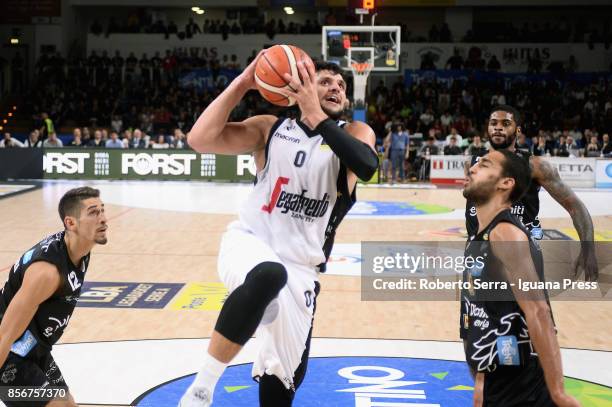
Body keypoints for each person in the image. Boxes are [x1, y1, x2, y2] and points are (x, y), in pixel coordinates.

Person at [179, 53, 377, 407]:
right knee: (270, 274)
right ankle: (201, 389)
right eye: (326, 81)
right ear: (301, 87)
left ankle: (266, 304)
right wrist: (242, 82)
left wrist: (315, 115)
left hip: (302, 268)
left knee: (283, 379)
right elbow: (200, 139)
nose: (336, 88)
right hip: (251, 243)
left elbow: (366, 166)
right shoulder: (270, 129)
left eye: (341, 86)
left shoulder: (356, 133)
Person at [461, 150, 579, 407]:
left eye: (484, 165)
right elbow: (483, 315)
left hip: (520, 385)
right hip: (498, 380)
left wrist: (558, 391)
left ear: (506, 183)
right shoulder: (481, 235)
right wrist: (481, 379)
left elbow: (538, 311)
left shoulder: (505, 233)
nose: (472, 168)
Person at [0, 187, 108, 407]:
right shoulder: (46, 273)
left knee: (68, 404)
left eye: (103, 210)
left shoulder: (80, 249)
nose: (103, 219)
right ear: (71, 223)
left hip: (35, 348)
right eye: (93, 212)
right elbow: (5, 334)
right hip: (9, 357)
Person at [465, 105, 597, 281]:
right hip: (477, 256)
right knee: (471, 308)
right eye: (493, 123)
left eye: (506, 123)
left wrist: (588, 249)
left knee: (533, 309)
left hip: (520, 257)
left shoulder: (534, 166)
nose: (498, 127)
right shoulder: (473, 163)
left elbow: (576, 207)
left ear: (517, 130)